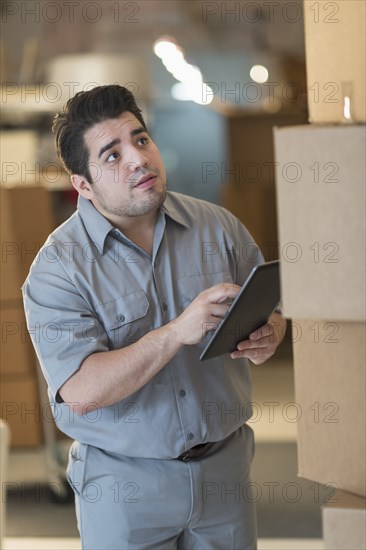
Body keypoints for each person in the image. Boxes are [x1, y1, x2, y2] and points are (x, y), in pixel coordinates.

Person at [23, 84, 286, 550]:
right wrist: (176, 333)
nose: (138, 159)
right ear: (83, 185)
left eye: (141, 140)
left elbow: (271, 312)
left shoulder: (219, 226)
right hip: (124, 486)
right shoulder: (57, 269)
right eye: (112, 155)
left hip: (224, 473)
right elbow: (81, 392)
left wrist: (270, 333)